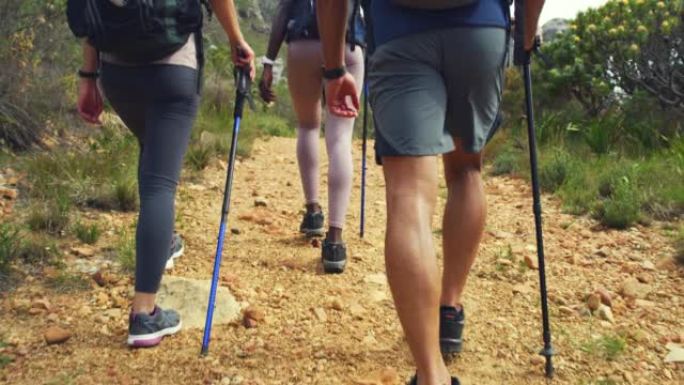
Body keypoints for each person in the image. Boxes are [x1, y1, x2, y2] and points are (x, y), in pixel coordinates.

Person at [317, 0, 546, 384]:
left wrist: (334, 68)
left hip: (396, 31)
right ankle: (450, 307)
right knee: (466, 170)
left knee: (408, 195)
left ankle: (431, 374)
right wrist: (525, 33)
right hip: (480, 29)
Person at [74, 0, 255, 347]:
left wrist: (87, 75)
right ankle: (144, 313)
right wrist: (236, 39)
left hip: (116, 70)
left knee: (153, 154)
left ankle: (165, 241)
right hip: (173, 65)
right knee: (160, 183)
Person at [258, 0, 365, 274]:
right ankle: (335, 240)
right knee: (340, 137)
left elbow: (283, 10)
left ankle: (313, 211)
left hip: (303, 43)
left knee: (307, 126)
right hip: (348, 45)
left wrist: (269, 61)